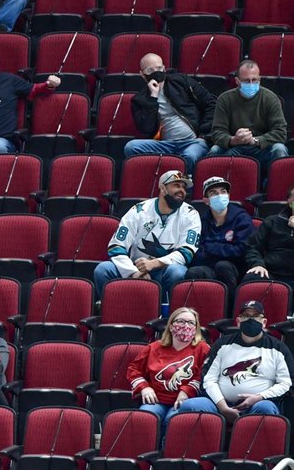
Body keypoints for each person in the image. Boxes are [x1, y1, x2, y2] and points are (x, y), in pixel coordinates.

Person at [93, 170, 201, 298]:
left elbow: (186, 253)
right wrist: (133, 272)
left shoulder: (190, 214)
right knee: (103, 269)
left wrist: (154, 264)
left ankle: (165, 314)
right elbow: (116, 247)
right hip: (135, 267)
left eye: (184, 187)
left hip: (165, 269)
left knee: (176, 272)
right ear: (162, 188)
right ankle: (112, 310)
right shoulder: (139, 210)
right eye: (176, 185)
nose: (182, 191)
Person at [179, 300, 293, 421]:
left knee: (265, 409)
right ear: (238, 322)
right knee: (189, 406)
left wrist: (259, 397)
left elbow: (286, 383)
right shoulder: (222, 344)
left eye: (255, 316)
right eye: (245, 316)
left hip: (258, 404)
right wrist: (222, 406)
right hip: (219, 404)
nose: (250, 320)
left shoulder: (278, 348)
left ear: (264, 322)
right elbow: (208, 379)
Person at [125, 52, 216, 174]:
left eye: (159, 68)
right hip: (165, 144)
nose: (156, 72)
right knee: (131, 147)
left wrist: (204, 132)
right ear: (142, 74)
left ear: (164, 68)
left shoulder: (182, 82)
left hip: (193, 141)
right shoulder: (139, 100)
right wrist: (153, 97)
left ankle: (184, 189)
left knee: (189, 156)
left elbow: (211, 103)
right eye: (150, 70)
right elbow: (146, 129)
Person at [127, 307, 211, 432]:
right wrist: (144, 387)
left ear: (196, 328)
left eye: (191, 323)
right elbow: (133, 369)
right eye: (181, 321)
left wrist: (187, 391)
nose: (185, 326)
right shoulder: (154, 347)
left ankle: (165, 450)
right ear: (171, 326)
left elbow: (204, 375)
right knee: (146, 417)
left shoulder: (203, 349)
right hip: (157, 400)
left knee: (173, 421)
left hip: (184, 401)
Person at [208, 60, 289, 168]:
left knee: (279, 149)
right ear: (237, 81)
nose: (251, 84)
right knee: (215, 150)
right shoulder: (225, 99)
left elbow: (280, 132)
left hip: (262, 148)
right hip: (235, 147)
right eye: (246, 81)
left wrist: (256, 140)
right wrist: (233, 140)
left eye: (254, 80)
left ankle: (275, 183)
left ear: (260, 79)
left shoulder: (270, 98)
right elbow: (217, 133)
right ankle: (218, 184)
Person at [185, 176, 254, 296]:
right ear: (206, 200)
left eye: (223, 192)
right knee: (193, 272)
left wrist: (210, 247)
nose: (220, 195)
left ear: (228, 196)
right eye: (214, 193)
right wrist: (224, 250)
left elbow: (241, 250)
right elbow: (196, 253)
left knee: (223, 266)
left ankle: (230, 311)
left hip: (236, 268)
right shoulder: (201, 221)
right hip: (209, 266)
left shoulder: (242, 218)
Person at [244, 185, 294, 287]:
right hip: (271, 273)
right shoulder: (271, 221)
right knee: (252, 277)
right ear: (289, 201)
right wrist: (257, 264)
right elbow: (252, 247)